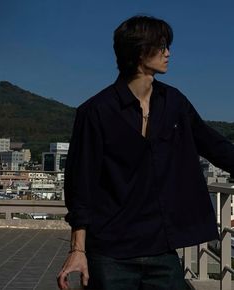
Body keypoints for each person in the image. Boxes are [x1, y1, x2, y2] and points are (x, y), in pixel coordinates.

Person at [57, 15, 234, 290]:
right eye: (161, 46)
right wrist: (77, 251)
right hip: (109, 253)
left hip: (162, 251)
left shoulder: (174, 103)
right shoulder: (96, 112)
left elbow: (214, 145)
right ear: (140, 51)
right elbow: (80, 186)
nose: (168, 53)